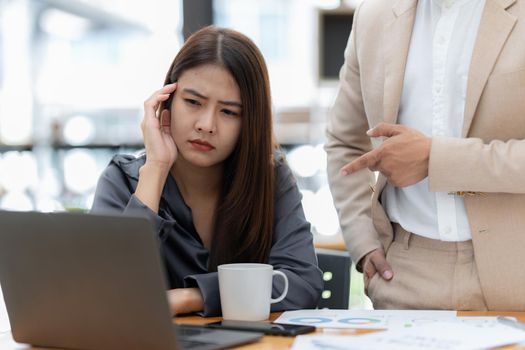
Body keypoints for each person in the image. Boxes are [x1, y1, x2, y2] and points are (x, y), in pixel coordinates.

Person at [92, 26, 323, 316]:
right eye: (192, 102)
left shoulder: (270, 176)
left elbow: (302, 284)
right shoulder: (123, 180)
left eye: (229, 111)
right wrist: (156, 168)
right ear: (167, 102)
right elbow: (107, 291)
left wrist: (192, 297)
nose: (206, 124)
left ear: (249, 122)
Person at [325, 0, 525, 310]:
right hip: (402, 275)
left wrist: (435, 159)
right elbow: (344, 142)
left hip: (515, 274)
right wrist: (362, 241)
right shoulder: (373, 15)